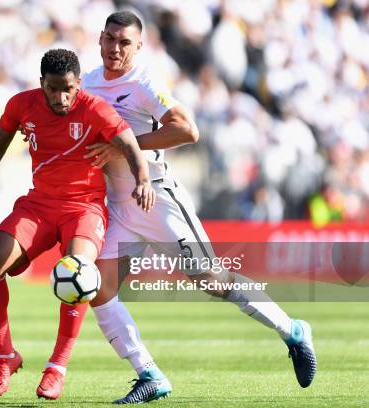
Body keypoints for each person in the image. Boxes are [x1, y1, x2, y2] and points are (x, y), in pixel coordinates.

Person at [79, 11, 317, 404]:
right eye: (110, 39)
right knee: (98, 290)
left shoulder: (143, 83)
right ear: (99, 38)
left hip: (155, 198)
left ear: (139, 47)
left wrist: (124, 145)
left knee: (211, 280)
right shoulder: (88, 82)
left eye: (125, 43)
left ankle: (292, 330)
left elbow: (188, 130)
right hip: (117, 206)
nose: (115, 49)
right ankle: (149, 375)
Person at [0, 48, 155, 400]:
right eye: (53, 88)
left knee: (80, 272)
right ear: (41, 84)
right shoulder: (21, 105)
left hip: (83, 208)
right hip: (39, 203)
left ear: (79, 84)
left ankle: (57, 366)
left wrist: (143, 179)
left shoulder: (94, 108)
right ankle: (5, 355)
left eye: (68, 88)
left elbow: (129, 143)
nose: (61, 97)